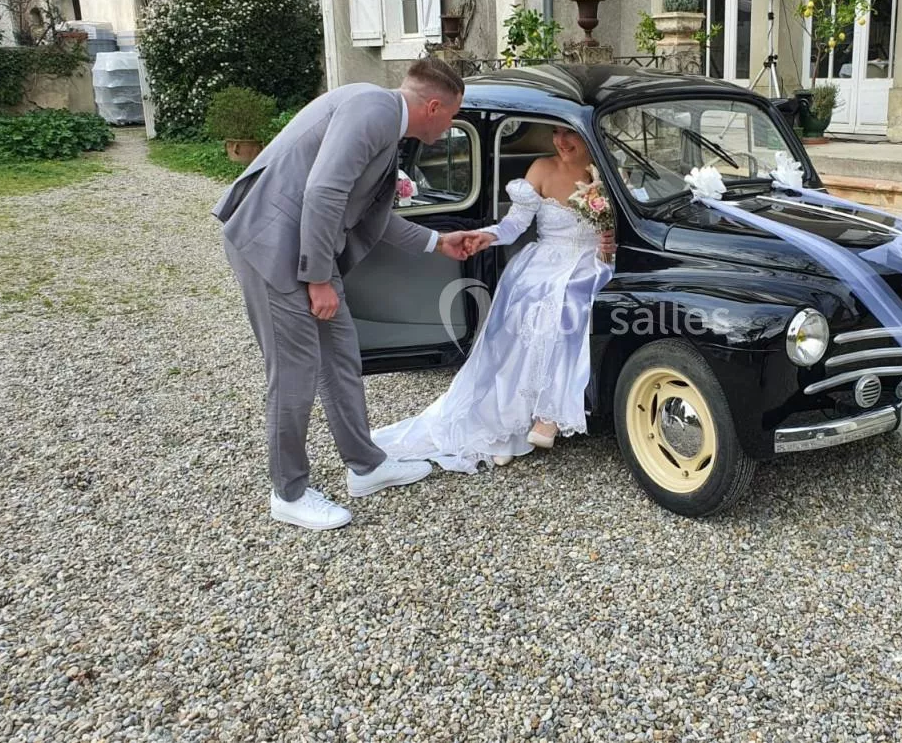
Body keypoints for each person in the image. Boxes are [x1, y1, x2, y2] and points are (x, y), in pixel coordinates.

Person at [213, 58, 482, 531]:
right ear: (434, 107)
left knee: (340, 357)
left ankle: (366, 465)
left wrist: (437, 242)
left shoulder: (383, 117)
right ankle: (288, 492)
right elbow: (323, 193)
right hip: (271, 245)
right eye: (452, 116)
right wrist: (318, 279)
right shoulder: (373, 109)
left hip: (305, 250)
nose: (450, 127)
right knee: (294, 371)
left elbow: (366, 214)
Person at [370, 127, 616, 472]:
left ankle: (548, 414)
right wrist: (488, 235)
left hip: (593, 263)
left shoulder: (609, 172)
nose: (560, 141)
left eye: (569, 134)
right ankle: (504, 428)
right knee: (535, 306)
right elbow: (514, 224)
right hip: (545, 262)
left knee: (574, 301)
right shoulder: (542, 169)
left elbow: (619, 226)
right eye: (555, 132)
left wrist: (608, 243)